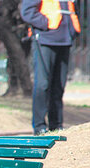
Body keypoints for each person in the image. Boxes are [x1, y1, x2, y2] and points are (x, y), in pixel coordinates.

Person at [21, 0, 81, 135]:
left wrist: (72, 30)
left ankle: (56, 124)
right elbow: (27, 12)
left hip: (65, 40)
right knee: (43, 85)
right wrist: (46, 23)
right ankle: (40, 126)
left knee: (58, 86)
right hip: (44, 40)